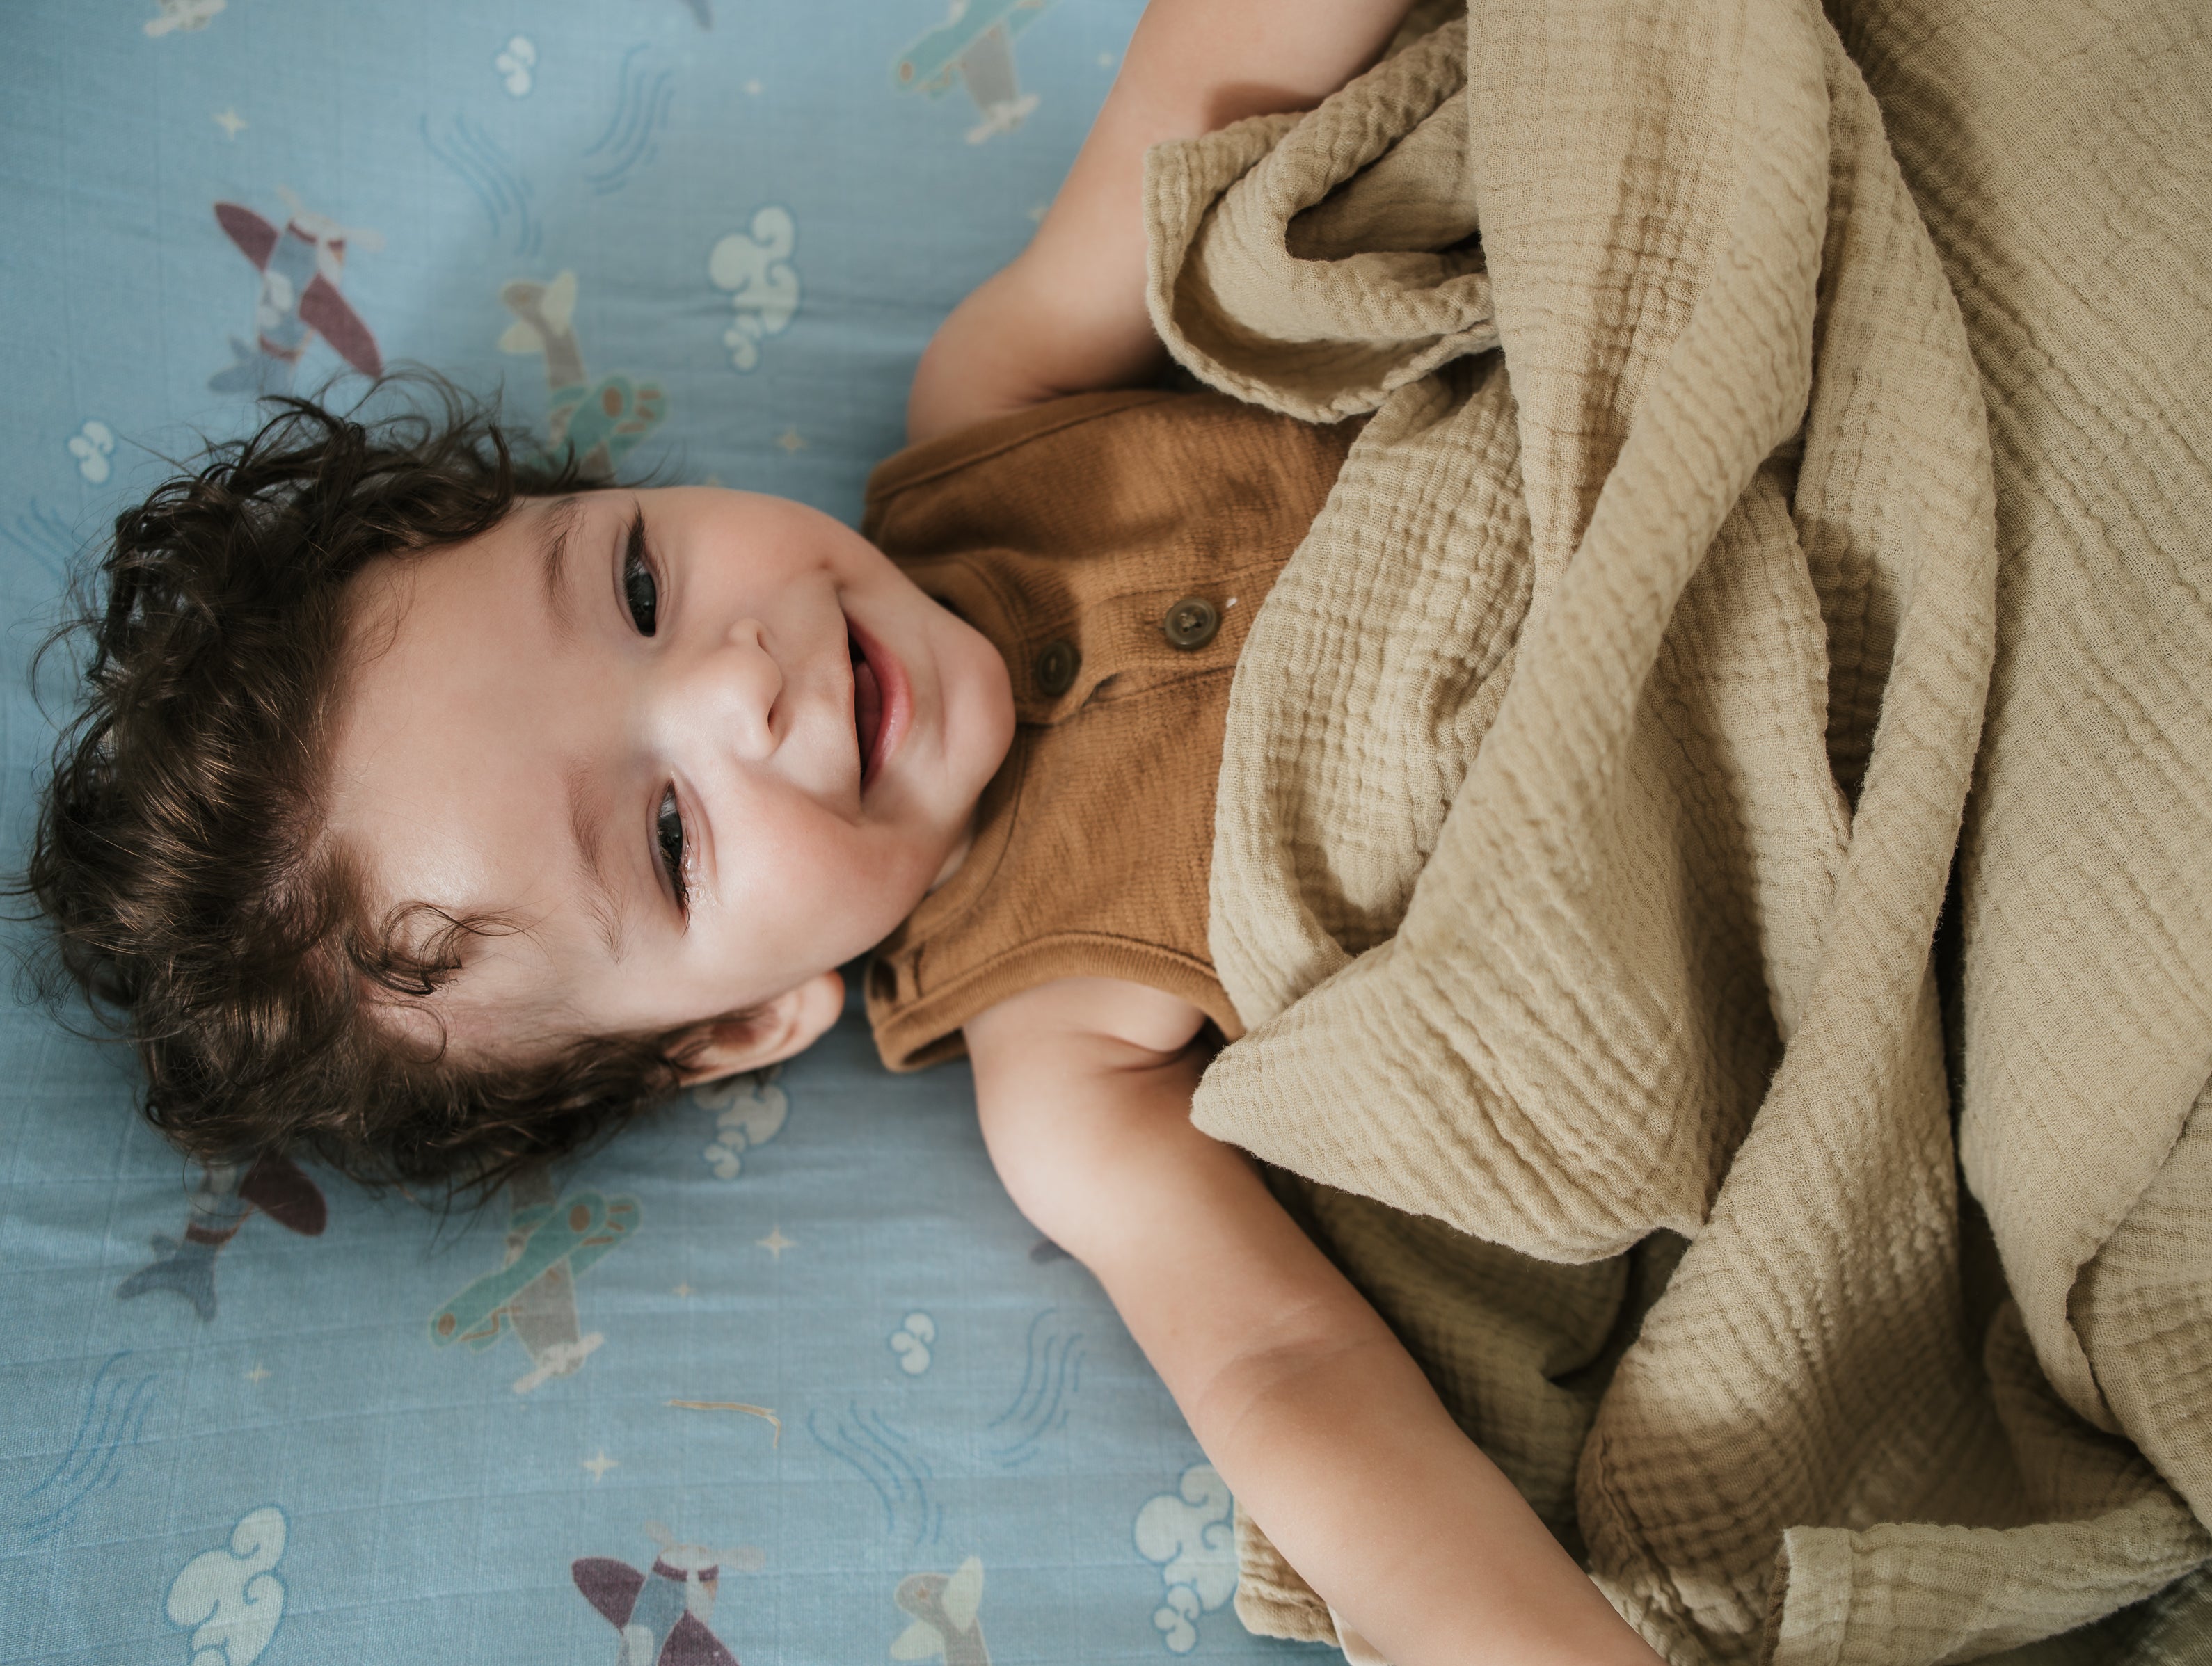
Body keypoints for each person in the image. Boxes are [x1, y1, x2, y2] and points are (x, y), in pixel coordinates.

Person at [22, 3, 1662, 1660]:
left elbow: (1212, 91)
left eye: (642, 586)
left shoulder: (996, 404)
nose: (735, 686)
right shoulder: (1063, 1069)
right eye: (666, 838)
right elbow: (1287, 1376)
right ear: (741, 1023)